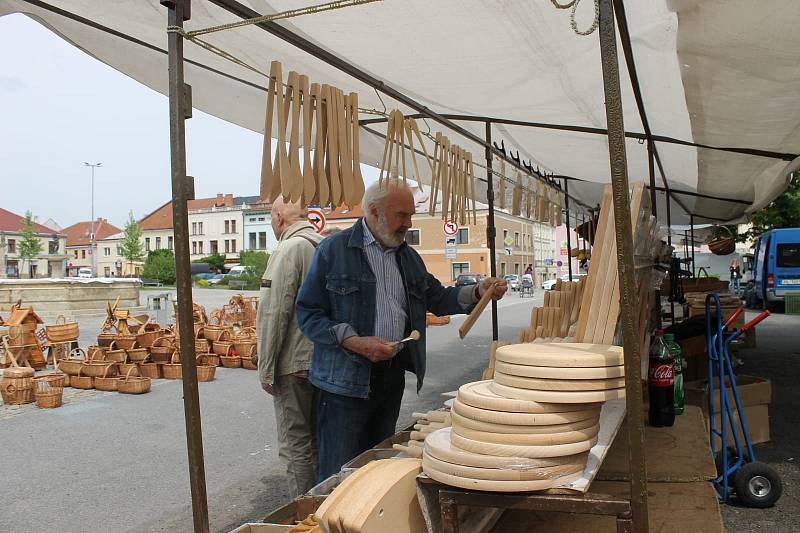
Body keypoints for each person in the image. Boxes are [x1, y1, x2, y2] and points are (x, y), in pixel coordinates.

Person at [296, 178, 508, 480]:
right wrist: (355, 341)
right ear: (374, 211)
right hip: (344, 383)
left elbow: (438, 297)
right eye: (402, 215)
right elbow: (308, 314)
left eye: (410, 215)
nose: (409, 223)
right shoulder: (334, 251)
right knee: (339, 474)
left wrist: (478, 292)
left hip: (390, 377)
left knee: (376, 466)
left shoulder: (407, 256)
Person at [256, 196, 324, 497]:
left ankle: (305, 516)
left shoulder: (289, 249)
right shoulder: (322, 246)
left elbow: (274, 312)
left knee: (296, 443)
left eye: (271, 216)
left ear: (279, 215)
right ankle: (323, 506)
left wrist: (266, 369)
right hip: (321, 361)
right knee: (317, 441)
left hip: (294, 362)